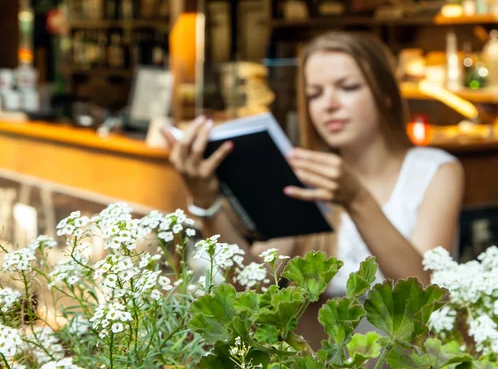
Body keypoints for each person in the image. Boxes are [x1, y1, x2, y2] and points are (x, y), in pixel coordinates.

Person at [162, 30, 464, 299]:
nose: (329, 104)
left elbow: (429, 297)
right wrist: (206, 201)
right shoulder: (305, 175)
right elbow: (253, 284)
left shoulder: (436, 172)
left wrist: (356, 199)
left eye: (347, 87)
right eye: (315, 94)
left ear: (385, 95)